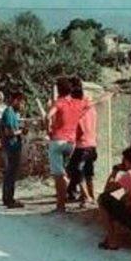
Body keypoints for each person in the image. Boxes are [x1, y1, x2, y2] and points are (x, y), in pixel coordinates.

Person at [46, 77, 89, 213]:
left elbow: (48, 116)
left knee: (58, 175)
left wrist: (49, 130)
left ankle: (61, 206)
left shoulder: (58, 103)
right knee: (66, 170)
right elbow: (93, 104)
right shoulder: (78, 103)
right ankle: (78, 194)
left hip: (57, 140)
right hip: (71, 142)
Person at [67, 79, 98, 206]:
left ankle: (86, 197)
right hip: (92, 144)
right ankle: (92, 195)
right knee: (89, 172)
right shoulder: (91, 108)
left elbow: (80, 130)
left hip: (82, 145)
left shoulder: (78, 112)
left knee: (76, 172)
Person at [0, 91, 26, 209]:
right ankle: (9, 199)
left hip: (13, 145)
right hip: (11, 146)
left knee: (11, 173)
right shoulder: (9, 112)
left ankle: (8, 197)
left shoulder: (13, 113)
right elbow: (8, 132)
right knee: (11, 172)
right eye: (21, 103)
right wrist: (21, 131)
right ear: (16, 101)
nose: (22, 106)